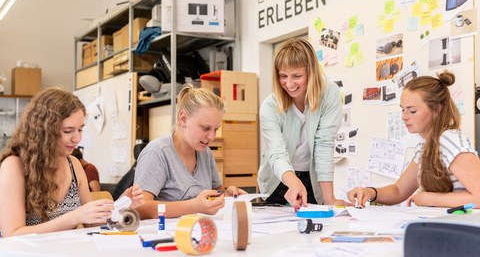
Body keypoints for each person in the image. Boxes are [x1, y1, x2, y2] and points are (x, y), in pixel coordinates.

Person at [0, 87, 144, 237]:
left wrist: (121, 206)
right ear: (44, 131)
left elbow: (91, 222)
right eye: (68, 131)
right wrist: (74, 217)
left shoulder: (73, 164)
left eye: (80, 129)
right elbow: (13, 234)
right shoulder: (14, 166)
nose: (77, 139)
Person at [347, 71, 480, 208]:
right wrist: (371, 192)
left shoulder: (450, 142)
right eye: (403, 110)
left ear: (436, 110)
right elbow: (399, 190)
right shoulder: (425, 145)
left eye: (412, 111)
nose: (404, 117)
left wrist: (430, 199)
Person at [258, 38, 350, 209]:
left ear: (311, 72)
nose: (289, 84)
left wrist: (329, 198)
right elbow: (277, 153)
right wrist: (293, 182)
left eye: (297, 76)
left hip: (313, 181)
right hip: (278, 179)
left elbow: (324, 144)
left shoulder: (329, 94)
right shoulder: (270, 106)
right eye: (283, 76)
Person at [134, 85, 247, 219]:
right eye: (206, 128)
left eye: (216, 129)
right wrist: (194, 206)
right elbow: (140, 208)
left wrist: (227, 196)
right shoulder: (157, 153)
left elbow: (217, 193)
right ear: (183, 119)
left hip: (201, 231)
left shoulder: (206, 153)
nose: (211, 136)